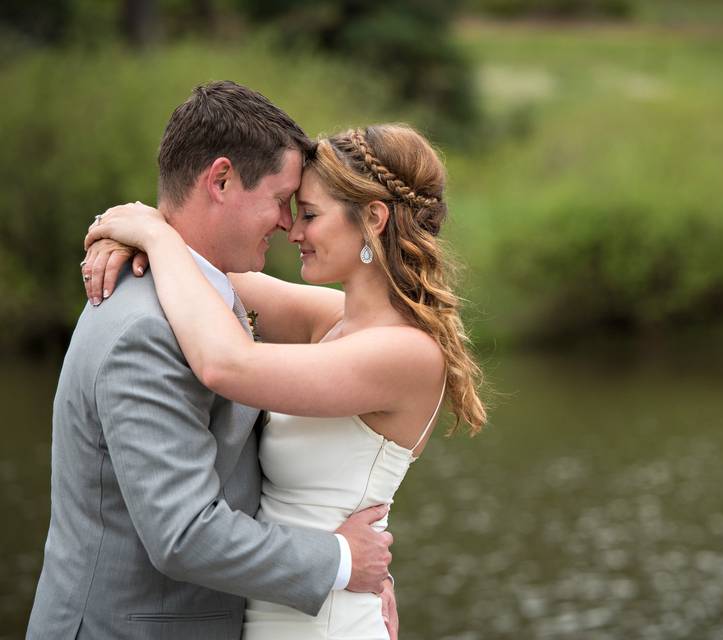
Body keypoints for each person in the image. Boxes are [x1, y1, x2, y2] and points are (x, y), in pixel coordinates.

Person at [82, 122, 487, 639]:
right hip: (281, 607)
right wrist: (126, 233)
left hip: (328, 622)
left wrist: (155, 237)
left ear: (373, 219)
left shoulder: (404, 353)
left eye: (310, 216)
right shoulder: (332, 320)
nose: (292, 232)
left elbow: (225, 365)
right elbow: (209, 275)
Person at [26, 81, 395, 640]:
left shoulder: (209, 296)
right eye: (278, 200)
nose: (286, 224)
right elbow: (184, 534)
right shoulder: (145, 328)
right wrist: (342, 561)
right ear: (221, 180)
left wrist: (150, 231)